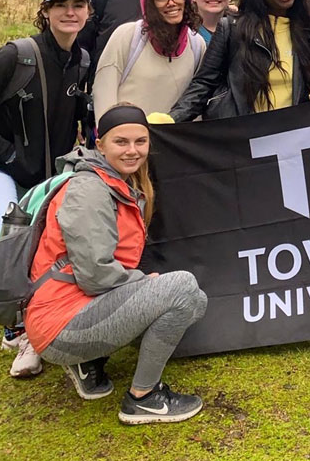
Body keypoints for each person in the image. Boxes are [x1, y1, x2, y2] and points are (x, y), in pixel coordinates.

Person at [25, 105, 207, 425]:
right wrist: (140, 281)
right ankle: (143, 399)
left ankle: (89, 362)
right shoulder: (89, 189)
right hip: (60, 325)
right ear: (100, 144)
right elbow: (95, 275)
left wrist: (140, 283)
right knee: (182, 289)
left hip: (75, 313)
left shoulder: (112, 182)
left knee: (194, 301)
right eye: (121, 142)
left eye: (141, 142)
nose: (132, 150)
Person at [0, 0, 92, 378]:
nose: (70, 12)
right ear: (44, 12)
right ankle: (24, 334)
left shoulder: (80, 60)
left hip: (38, 174)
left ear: (87, 12)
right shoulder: (16, 56)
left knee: (46, 243)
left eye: (78, 5)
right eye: (60, 4)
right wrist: (10, 155)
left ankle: (27, 325)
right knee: (14, 240)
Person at [169, 0, 310, 121]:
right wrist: (171, 120)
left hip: (290, 138)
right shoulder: (231, 28)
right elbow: (203, 84)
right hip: (243, 138)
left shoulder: (305, 30)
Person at [92, 0, 206, 120]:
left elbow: (196, 102)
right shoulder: (127, 36)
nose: (171, 3)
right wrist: (109, 136)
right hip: (130, 140)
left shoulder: (196, 44)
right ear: (149, 4)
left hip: (175, 141)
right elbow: (103, 93)